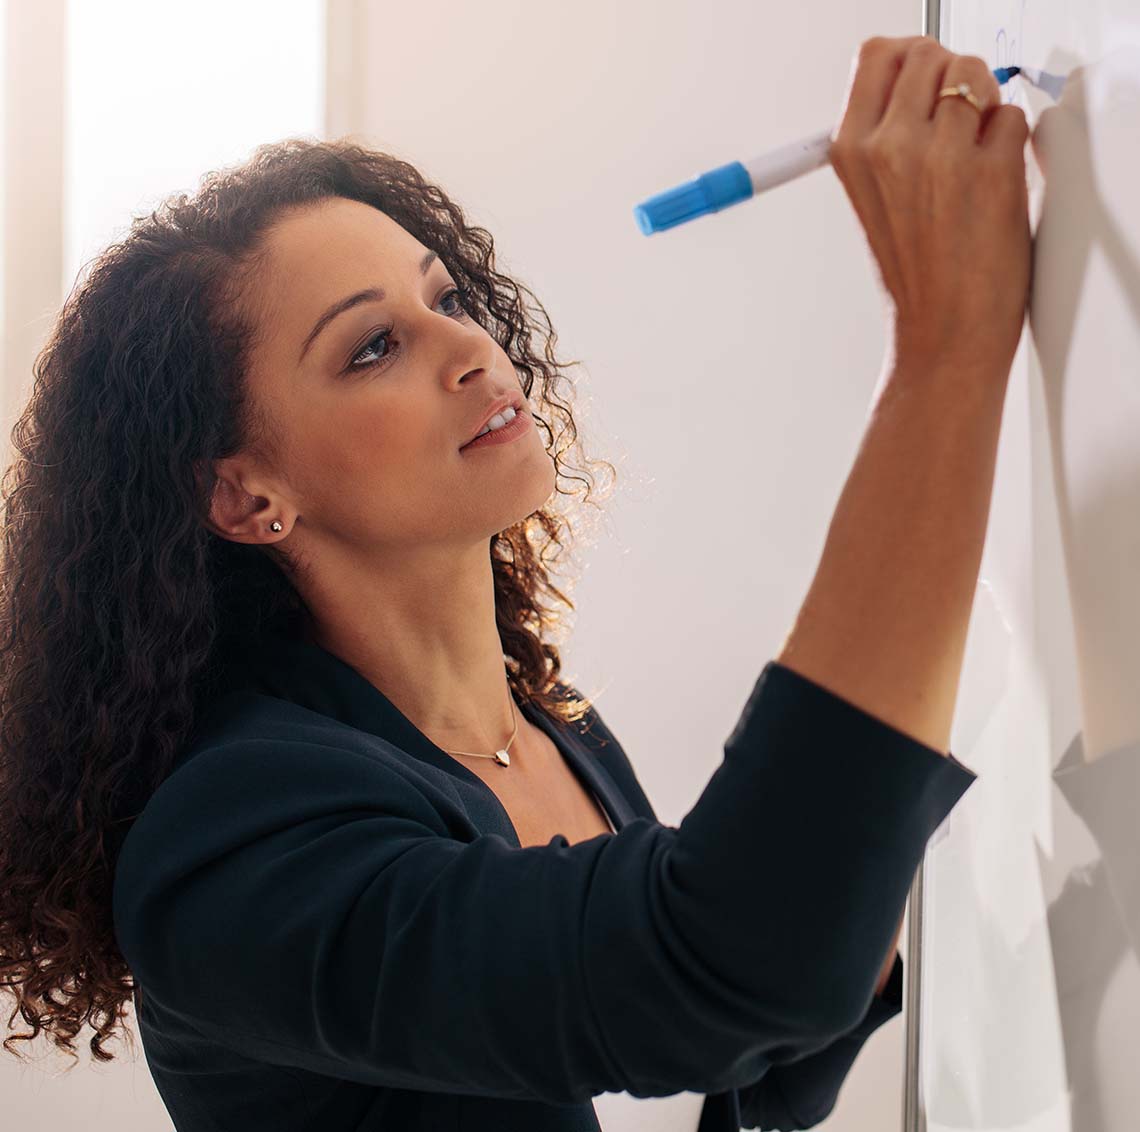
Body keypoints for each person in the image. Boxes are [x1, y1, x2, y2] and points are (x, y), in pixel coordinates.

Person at [0, 33, 1030, 1132]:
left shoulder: (554, 732)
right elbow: (730, 970)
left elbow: (765, 1055)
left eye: (446, 297)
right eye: (371, 348)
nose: (473, 350)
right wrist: (946, 347)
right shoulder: (230, 839)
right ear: (247, 495)